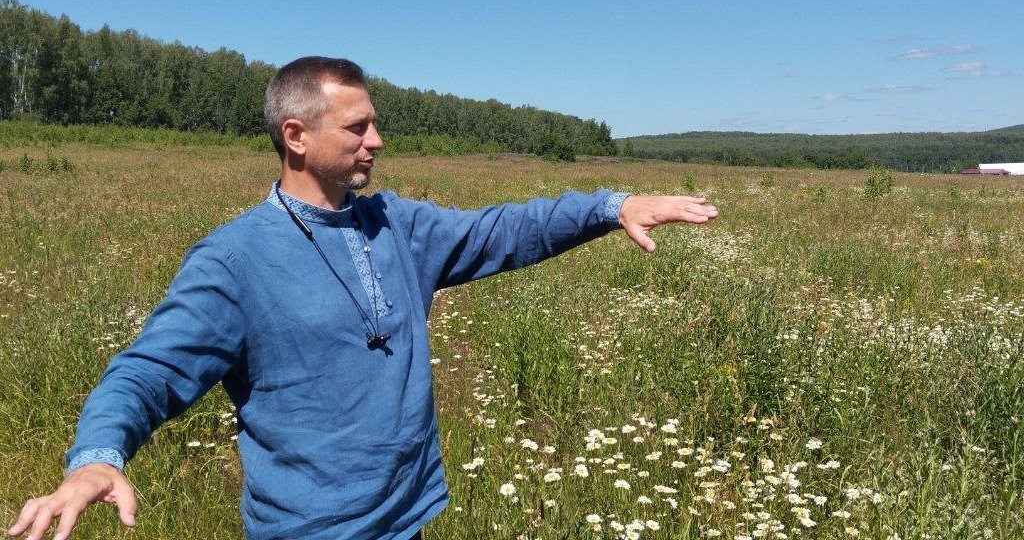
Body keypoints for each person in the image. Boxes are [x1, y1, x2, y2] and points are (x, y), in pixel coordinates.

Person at [8, 56, 718, 540]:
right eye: (357, 127)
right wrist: (98, 455)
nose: (376, 140)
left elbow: (506, 228)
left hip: (408, 516)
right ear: (296, 136)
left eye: (374, 123)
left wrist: (611, 203)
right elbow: (148, 371)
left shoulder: (398, 225)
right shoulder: (235, 260)